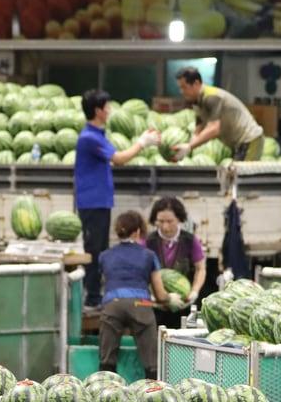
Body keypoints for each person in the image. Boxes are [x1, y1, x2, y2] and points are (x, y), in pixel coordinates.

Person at [75, 89, 160, 310]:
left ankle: (95, 295)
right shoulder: (89, 138)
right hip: (93, 202)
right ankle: (92, 299)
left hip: (99, 200)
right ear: (97, 111)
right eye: (106, 107)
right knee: (94, 250)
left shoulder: (97, 135)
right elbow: (119, 159)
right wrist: (143, 142)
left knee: (99, 247)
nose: (110, 111)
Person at [98, 210, 171, 382]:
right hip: (141, 304)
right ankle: (153, 391)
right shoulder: (149, 256)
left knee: (107, 360)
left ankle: (103, 392)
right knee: (152, 361)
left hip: (112, 304)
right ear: (138, 231)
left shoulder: (105, 255)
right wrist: (170, 299)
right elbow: (160, 294)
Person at [171, 67, 265, 163]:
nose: (181, 91)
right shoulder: (197, 102)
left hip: (250, 139)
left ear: (196, 83)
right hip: (238, 143)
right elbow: (199, 127)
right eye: (180, 88)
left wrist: (190, 146)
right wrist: (186, 148)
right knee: (236, 173)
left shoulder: (212, 97)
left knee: (242, 175)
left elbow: (214, 129)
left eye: (184, 87)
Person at [146, 196, 206, 330]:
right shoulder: (149, 242)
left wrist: (194, 291)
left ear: (179, 219)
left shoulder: (190, 240)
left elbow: (200, 269)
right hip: (156, 305)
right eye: (160, 221)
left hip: (182, 305)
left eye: (169, 221)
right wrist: (151, 295)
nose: (165, 226)